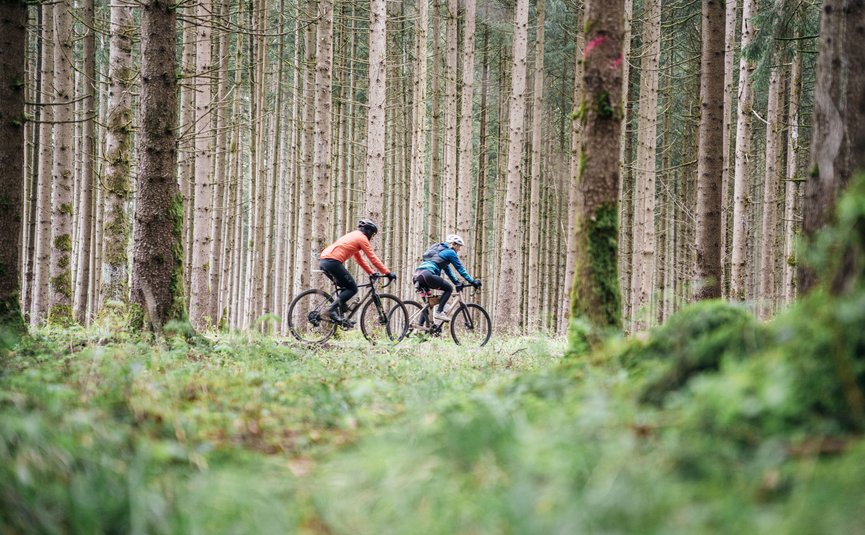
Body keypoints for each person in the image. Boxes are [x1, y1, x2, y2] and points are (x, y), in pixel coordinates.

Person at [320, 219, 395, 326]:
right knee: (352, 288)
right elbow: (373, 258)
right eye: (372, 234)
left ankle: (341, 317)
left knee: (345, 288)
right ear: (368, 231)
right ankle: (331, 310)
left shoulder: (354, 236)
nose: (372, 237)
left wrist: (371, 272)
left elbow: (359, 259)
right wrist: (387, 273)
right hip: (332, 262)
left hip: (324, 261)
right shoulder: (362, 238)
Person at [413, 234, 481, 322]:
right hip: (427, 275)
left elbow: (448, 271)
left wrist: (456, 282)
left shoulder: (440, 253)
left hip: (417, 276)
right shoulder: (450, 252)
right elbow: (460, 269)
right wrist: (472, 281)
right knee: (449, 288)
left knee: (428, 304)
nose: (459, 249)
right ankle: (439, 312)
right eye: (459, 246)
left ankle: (419, 327)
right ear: (454, 244)